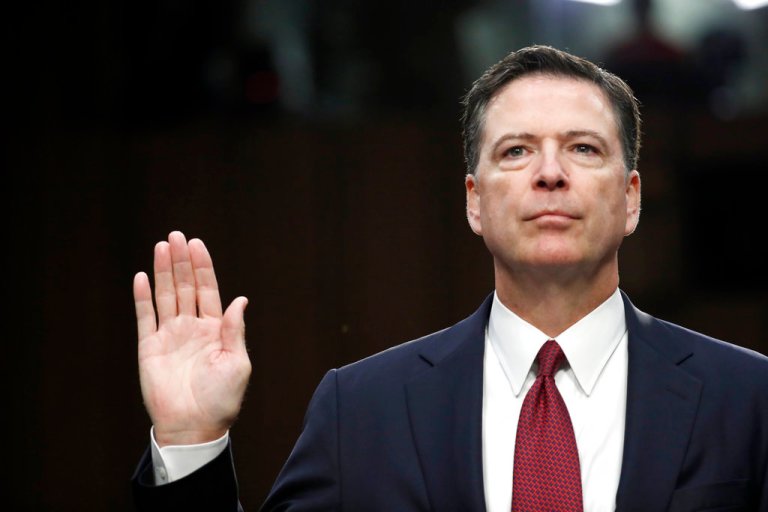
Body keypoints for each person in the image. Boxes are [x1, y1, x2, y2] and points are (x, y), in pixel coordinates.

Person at [131, 45, 768, 511]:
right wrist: (190, 442)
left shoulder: (749, 398)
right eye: (516, 151)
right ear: (473, 201)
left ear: (631, 198)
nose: (549, 174)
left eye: (583, 148)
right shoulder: (362, 411)